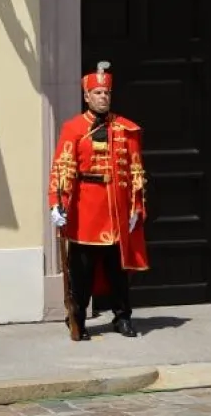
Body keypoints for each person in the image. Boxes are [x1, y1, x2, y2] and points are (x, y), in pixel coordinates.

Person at [48, 61, 148, 339]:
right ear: (87, 96)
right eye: (98, 93)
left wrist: (136, 206)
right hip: (86, 210)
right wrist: (56, 203)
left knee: (119, 269)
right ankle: (77, 318)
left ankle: (122, 317)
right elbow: (62, 168)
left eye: (107, 93)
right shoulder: (73, 128)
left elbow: (136, 170)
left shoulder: (125, 128)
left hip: (116, 209)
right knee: (82, 270)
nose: (103, 97)